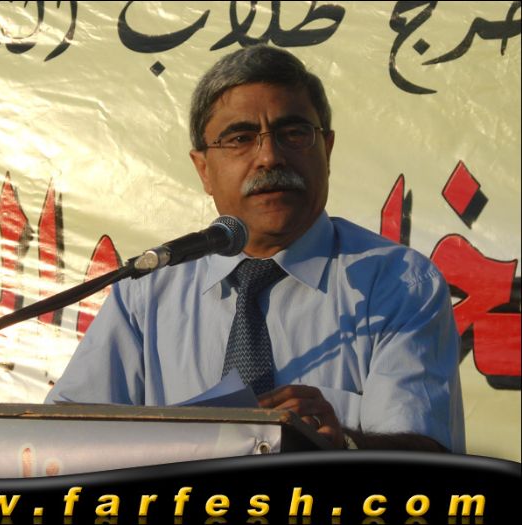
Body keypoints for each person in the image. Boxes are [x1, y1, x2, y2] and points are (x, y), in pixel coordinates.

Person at [48, 45, 465, 453]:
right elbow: (63, 439)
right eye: (241, 138)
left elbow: (423, 453)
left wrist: (344, 444)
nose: (269, 157)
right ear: (203, 169)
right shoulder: (148, 290)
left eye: (294, 134)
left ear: (327, 149)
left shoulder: (400, 283)